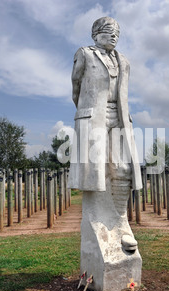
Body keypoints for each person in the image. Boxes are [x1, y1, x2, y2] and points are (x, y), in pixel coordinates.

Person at [68, 16, 142, 194]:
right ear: (95, 34)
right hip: (93, 115)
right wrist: (87, 109)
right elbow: (76, 86)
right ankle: (96, 217)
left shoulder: (123, 61)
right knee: (95, 168)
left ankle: (119, 216)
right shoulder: (85, 53)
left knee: (122, 166)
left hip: (119, 116)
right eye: (109, 32)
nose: (114, 36)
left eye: (117, 33)